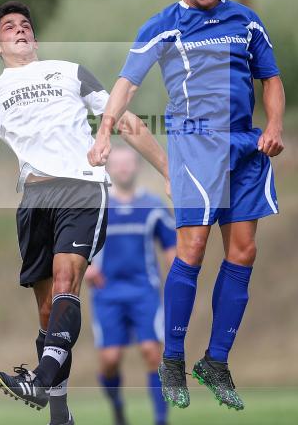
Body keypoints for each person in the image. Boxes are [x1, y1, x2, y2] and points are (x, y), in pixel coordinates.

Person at [0, 1, 168, 425]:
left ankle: (39, 381)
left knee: (65, 283)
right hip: (35, 201)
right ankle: (60, 414)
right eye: (8, 28)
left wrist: (169, 172)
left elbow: (126, 121)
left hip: (81, 186)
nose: (19, 30)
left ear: (33, 38)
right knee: (46, 313)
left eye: (25, 26)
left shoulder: (69, 72)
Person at [87, 0, 285, 412]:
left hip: (244, 144)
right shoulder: (165, 26)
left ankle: (216, 361)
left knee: (244, 250)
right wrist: (106, 129)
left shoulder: (246, 21)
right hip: (196, 144)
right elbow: (127, 83)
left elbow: (271, 79)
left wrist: (275, 123)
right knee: (192, 245)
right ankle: (172, 359)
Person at [85, 145, 176, 425]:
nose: (123, 168)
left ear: (137, 167)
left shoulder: (153, 206)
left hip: (144, 291)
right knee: (110, 360)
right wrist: (85, 267)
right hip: (106, 293)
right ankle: (118, 409)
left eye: (128, 163)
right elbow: (72, 245)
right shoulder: (96, 209)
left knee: (152, 352)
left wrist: (178, 284)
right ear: (108, 169)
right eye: (118, 164)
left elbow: (172, 248)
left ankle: (161, 420)